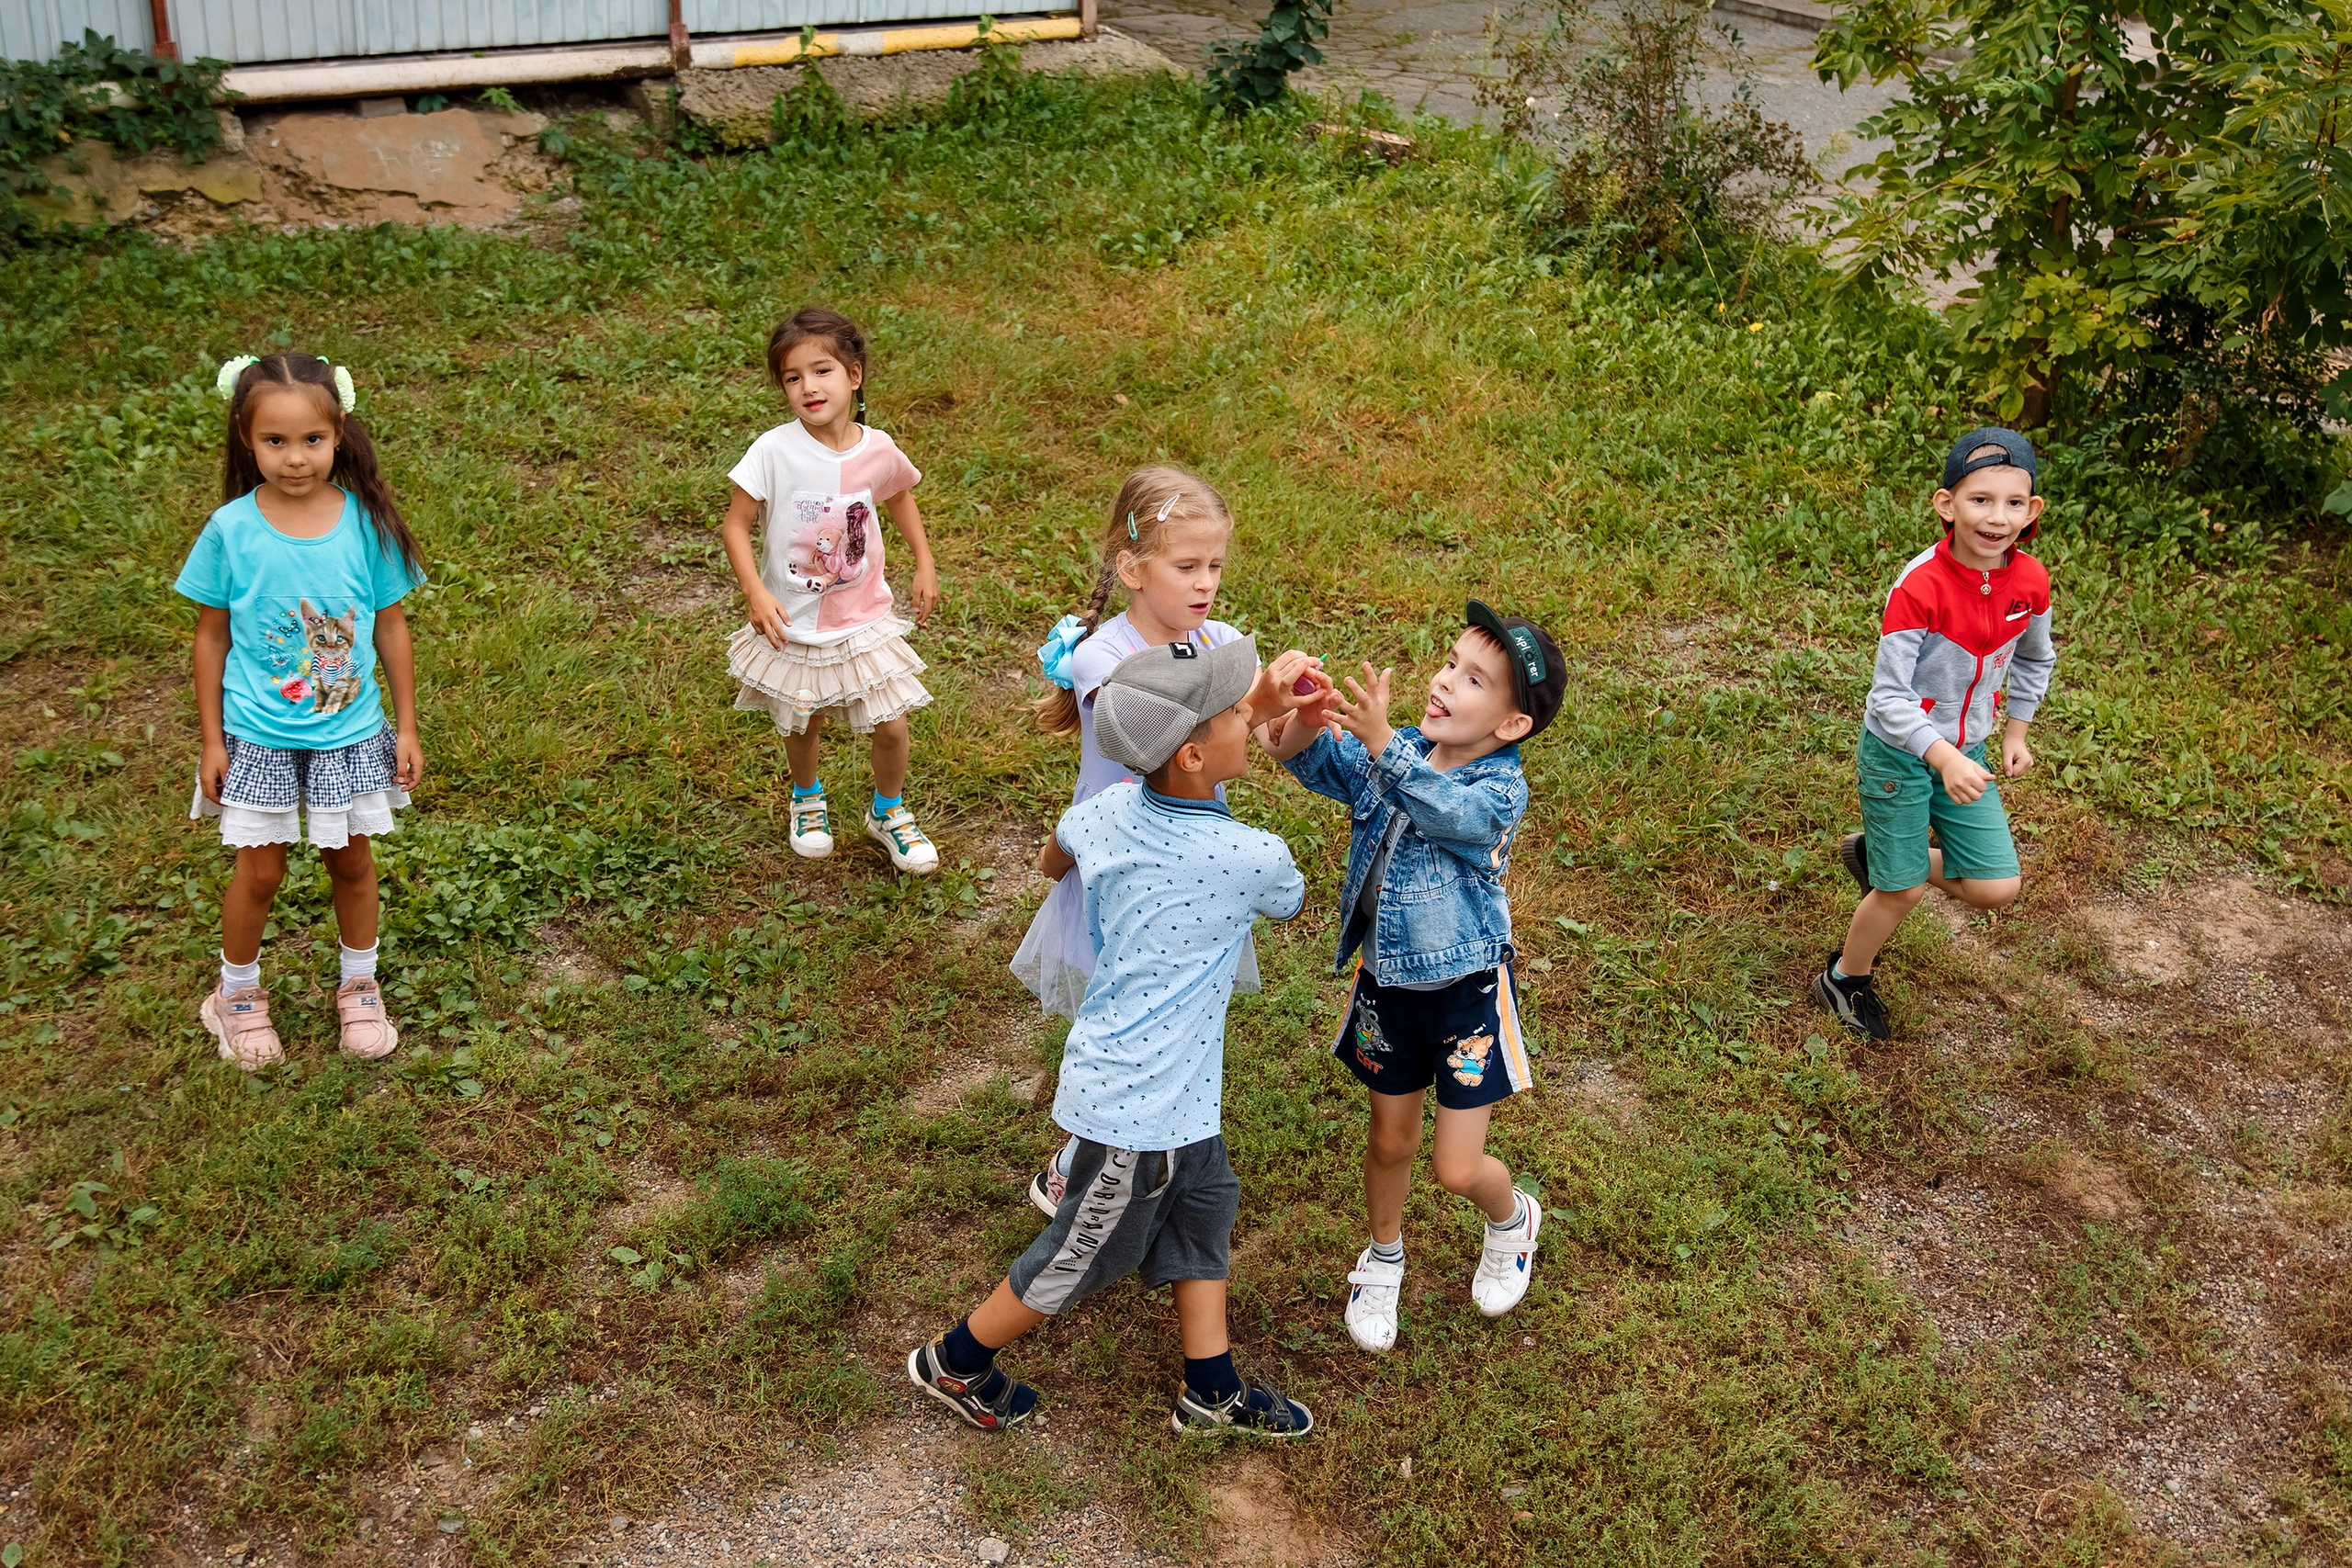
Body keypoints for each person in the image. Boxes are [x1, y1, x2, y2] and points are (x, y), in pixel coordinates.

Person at [908, 637, 1321, 1438]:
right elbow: (1289, 899)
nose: (1251, 718)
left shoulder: (1100, 816)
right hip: (1137, 1108)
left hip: (1176, 1093)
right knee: (1079, 1254)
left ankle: (1213, 1387)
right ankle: (955, 1360)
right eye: (1239, 713)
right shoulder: (1255, 857)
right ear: (1197, 753)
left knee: (1204, 1211)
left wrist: (1259, 708)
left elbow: (1051, 858)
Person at [1260, 602, 1565, 1355]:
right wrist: (1306, 714)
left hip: (1466, 995)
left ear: (1512, 725)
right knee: (1390, 1141)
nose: (1444, 680)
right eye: (1450, 661)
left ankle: (1510, 1218)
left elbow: (1454, 818)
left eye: (1473, 679)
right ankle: (1384, 1257)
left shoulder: (1498, 791)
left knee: (1455, 1165)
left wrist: (1383, 751)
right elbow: (1307, 759)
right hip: (1387, 987)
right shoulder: (1395, 748)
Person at [1012, 468, 1308, 1217]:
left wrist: (1295, 714)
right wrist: (1251, 697)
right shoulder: (1102, 660)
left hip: (1190, 867)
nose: (1206, 584)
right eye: (1188, 567)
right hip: (1121, 863)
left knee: (1172, 1005)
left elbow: (1263, 741)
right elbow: (1155, 739)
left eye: (1215, 566)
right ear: (1132, 568)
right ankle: (1081, 1152)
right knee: (1115, 1006)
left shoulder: (1218, 641)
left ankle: (1144, 1134)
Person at [177, 353, 427, 1071]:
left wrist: (405, 725)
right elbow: (211, 634)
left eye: (312, 440)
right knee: (259, 873)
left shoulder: (364, 523)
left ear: (339, 431)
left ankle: (359, 983)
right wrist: (211, 740)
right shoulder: (230, 530)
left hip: (348, 736)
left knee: (352, 863)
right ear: (245, 438)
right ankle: (237, 995)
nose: (294, 458)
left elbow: (390, 625)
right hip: (259, 736)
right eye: (275, 441)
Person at [1812, 428, 2055, 1042]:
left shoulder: (2029, 584)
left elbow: (2034, 659)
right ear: (1947, 504)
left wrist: (2015, 731)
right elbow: (1888, 697)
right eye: (1980, 500)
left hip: (1966, 750)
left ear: (2032, 512)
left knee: (1998, 885)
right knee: (1901, 891)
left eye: (2011, 503)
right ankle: (1844, 977)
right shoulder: (1918, 587)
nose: (1996, 517)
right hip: (1901, 752)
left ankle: (1883, 857)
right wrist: (1940, 755)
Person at [719, 306, 943, 874]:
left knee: (891, 724)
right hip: (794, 617)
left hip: (864, 613)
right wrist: (754, 591)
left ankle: (887, 811)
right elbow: (736, 524)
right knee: (804, 717)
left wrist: (924, 561)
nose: (808, 387)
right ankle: (807, 797)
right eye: (793, 378)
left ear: (854, 375)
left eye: (822, 371)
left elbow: (899, 497)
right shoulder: (774, 450)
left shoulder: (878, 448)